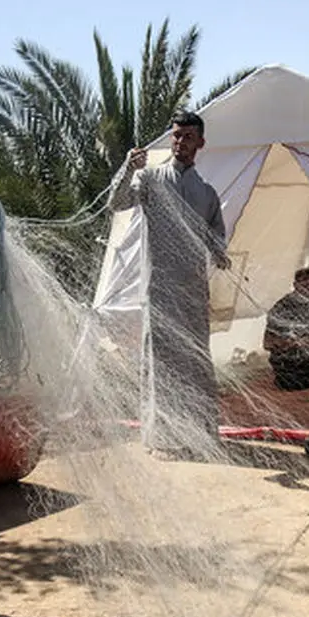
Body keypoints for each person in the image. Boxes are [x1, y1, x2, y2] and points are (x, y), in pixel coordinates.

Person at [110, 112, 231, 459]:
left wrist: (220, 254)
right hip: (159, 289)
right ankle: (162, 439)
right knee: (161, 362)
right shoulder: (150, 179)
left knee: (196, 360)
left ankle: (201, 435)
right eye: (176, 135)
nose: (180, 142)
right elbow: (116, 203)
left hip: (193, 290)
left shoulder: (207, 194)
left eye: (188, 136)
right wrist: (128, 169)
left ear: (200, 143)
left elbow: (217, 237)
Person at [264, 267, 309, 390]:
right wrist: (294, 342)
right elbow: (268, 342)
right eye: (308, 284)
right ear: (296, 285)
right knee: (296, 385)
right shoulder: (283, 307)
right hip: (288, 360)